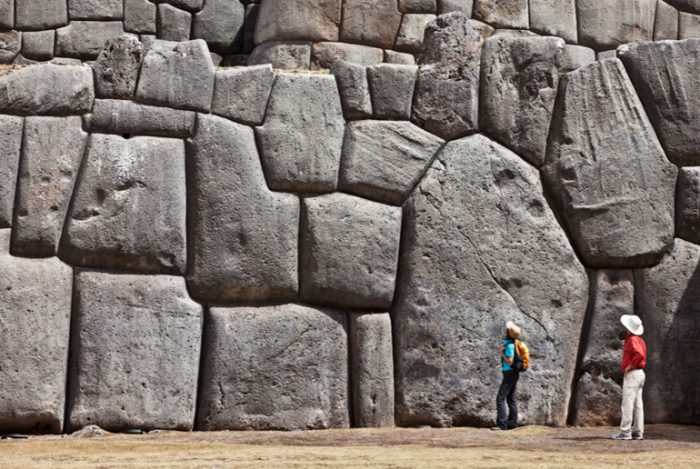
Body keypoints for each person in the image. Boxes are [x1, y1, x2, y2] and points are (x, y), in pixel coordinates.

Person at [612, 314, 647, 441]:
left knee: (627, 403)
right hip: (640, 374)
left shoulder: (631, 340)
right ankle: (638, 432)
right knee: (638, 405)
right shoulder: (640, 340)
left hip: (633, 375)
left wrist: (630, 366)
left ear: (627, 327)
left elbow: (639, 354)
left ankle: (625, 432)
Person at [492, 321, 521, 431]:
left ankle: (501, 424)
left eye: (507, 329)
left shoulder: (509, 346)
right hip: (512, 374)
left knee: (500, 398)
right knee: (511, 399)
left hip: (510, 374)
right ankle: (512, 424)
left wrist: (502, 352)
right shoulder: (512, 343)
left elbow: (509, 361)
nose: (505, 330)